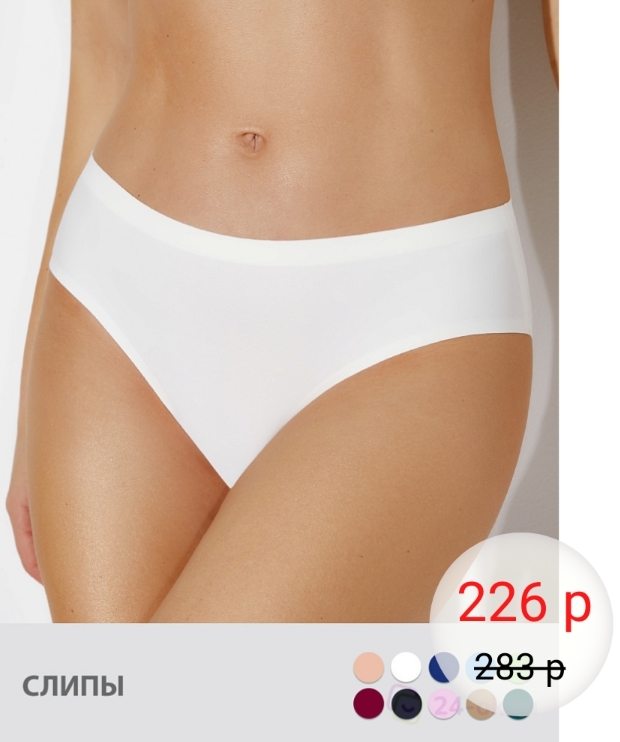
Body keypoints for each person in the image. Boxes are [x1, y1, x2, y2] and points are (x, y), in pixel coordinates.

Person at [6, 0, 558, 623]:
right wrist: (30, 404)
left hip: (407, 318)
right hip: (115, 305)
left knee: (180, 688)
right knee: (117, 689)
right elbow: (102, 49)